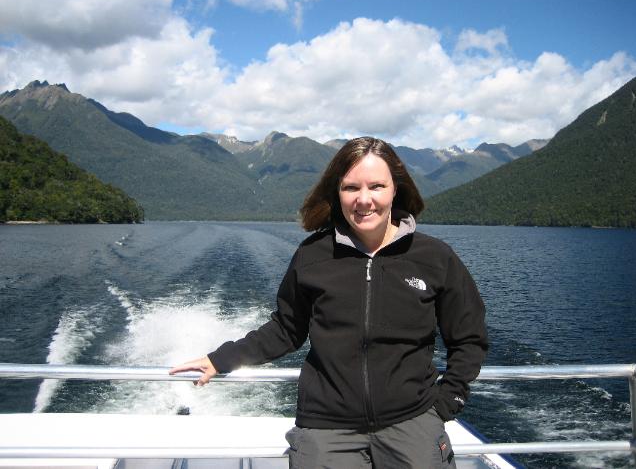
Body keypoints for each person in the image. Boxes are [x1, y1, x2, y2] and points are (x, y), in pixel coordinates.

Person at [170, 136, 488, 468]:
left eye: (376, 186)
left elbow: (469, 337)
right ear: (337, 192)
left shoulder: (434, 257)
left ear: (396, 188)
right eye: (351, 188)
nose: (364, 200)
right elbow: (286, 328)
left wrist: (446, 402)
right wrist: (222, 358)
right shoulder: (313, 255)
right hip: (326, 426)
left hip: (412, 420)